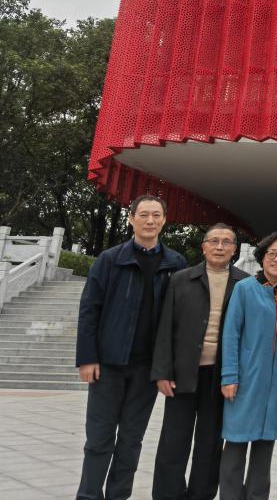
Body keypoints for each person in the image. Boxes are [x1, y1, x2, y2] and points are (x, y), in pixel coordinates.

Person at [75, 194, 187, 500]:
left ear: (164, 220)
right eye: (144, 215)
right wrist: (87, 358)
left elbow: (177, 319)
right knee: (98, 439)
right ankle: (88, 495)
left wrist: (166, 367)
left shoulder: (175, 264)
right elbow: (89, 309)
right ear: (131, 219)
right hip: (108, 366)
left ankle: (118, 496)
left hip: (146, 370)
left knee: (130, 440)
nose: (150, 220)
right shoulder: (110, 259)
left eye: (156, 215)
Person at [151, 222, 247, 500]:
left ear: (234, 249)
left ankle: (201, 494)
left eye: (226, 242)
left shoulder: (245, 284)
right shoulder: (181, 279)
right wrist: (162, 371)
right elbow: (165, 327)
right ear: (203, 247)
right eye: (214, 241)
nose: (220, 247)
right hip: (182, 372)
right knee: (173, 439)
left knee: (210, 442)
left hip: (220, 376)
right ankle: (168, 495)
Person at [219, 232, 277, 500]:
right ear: (262, 257)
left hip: (276, 383)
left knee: (264, 448)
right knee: (236, 443)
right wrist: (229, 376)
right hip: (246, 379)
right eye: (272, 253)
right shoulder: (244, 289)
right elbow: (231, 334)